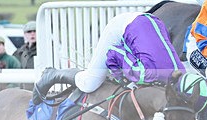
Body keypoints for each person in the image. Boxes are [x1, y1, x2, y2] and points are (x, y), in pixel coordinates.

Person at [32, 12, 184, 104]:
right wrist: (120, 78)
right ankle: (53, 74)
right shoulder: (143, 73)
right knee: (89, 83)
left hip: (152, 21)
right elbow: (113, 52)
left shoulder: (181, 72)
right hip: (121, 27)